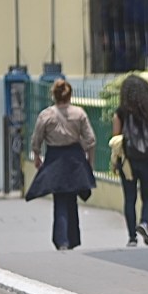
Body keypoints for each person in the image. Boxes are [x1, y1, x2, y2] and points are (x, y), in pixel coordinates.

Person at [26, 79, 96, 251]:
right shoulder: (79, 114)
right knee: (72, 198)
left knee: (60, 200)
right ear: (70, 95)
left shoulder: (46, 115)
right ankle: (72, 239)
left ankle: (62, 240)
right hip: (75, 158)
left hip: (55, 158)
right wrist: (89, 161)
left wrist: (37, 156)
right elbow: (91, 140)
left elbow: (36, 139)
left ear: (54, 95)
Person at [111, 75, 148, 247]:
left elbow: (116, 140)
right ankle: (143, 223)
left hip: (128, 161)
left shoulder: (120, 112)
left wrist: (114, 162)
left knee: (129, 199)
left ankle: (132, 238)